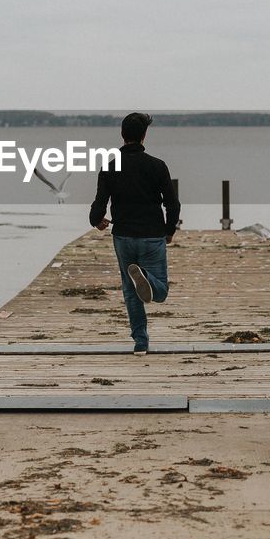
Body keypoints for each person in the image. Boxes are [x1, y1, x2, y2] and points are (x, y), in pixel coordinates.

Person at [89, 112, 180, 356]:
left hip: (123, 236)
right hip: (152, 235)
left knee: (131, 291)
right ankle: (147, 279)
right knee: (160, 292)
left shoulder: (110, 167)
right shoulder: (157, 166)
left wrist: (97, 220)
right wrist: (169, 230)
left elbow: (100, 202)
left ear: (122, 135)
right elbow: (172, 204)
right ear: (144, 135)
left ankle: (141, 342)